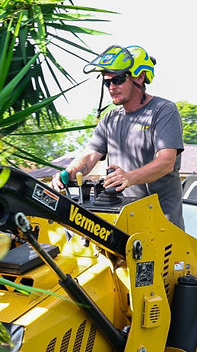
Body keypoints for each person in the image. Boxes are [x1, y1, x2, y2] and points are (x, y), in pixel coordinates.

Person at [56, 45, 185, 228]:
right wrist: (67, 173)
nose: (111, 87)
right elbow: (89, 156)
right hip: (123, 224)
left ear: (139, 77)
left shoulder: (163, 111)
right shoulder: (111, 118)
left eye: (118, 80)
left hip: (163, 225)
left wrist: (129, 177)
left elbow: (166, 162)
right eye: (107, 83)